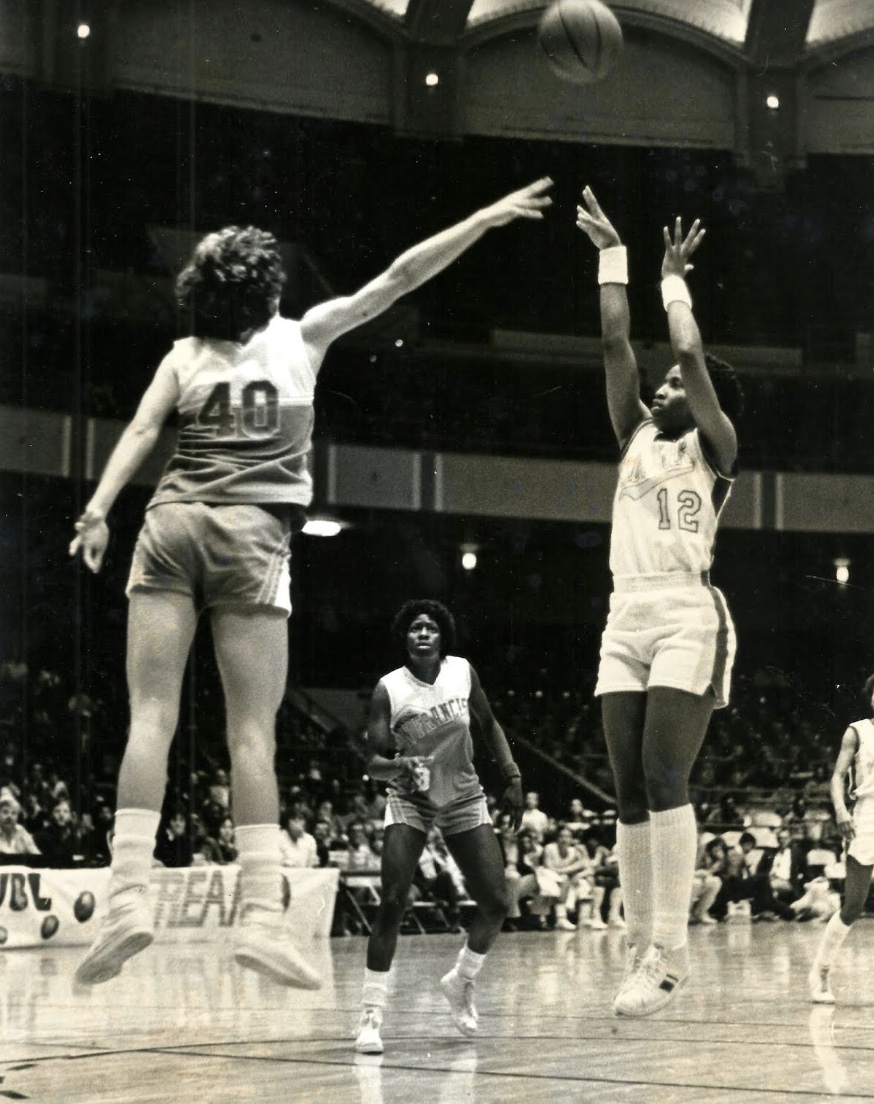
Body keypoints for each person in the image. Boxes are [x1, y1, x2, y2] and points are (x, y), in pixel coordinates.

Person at [68, 177, 552, 989]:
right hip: (252, 539)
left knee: (149, 717)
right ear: (270, 288)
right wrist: (483, 214)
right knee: (250, 734)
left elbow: (146, 428)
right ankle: (261, 914)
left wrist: (96, 509)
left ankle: (126, 902)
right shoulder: (304, 337)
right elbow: (397, 278)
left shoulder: (183, 356)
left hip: (172, 524)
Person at [576, 187, 743, 1017]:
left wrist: (675, 283)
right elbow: (614, 342)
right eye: (665, 383)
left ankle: (672, 953)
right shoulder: (635, 436)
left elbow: (695, 356)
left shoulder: (716, 449)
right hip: (624, 614)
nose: (667, 384)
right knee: (626, 787)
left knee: (662, 770)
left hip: (687, 611)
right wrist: (615, 256)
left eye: (675, 383)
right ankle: (645, 948)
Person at [354, 599, 524, 1054]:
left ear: (443, 635)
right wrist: (399, 767)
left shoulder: (463, 672)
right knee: (391, 901)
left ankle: (461, 979)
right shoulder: (389, 689)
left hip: (464, 795)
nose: (422, 633)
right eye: (414, 628)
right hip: (411, 799)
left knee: (497, 901)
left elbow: (488, 724)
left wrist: (512, 775)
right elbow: (373, 762)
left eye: (430, 627)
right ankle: (371, 1016)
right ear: (405, 638)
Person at [809, 674, 874, 1003]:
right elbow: (836, 776)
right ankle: (820, 970)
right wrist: (840, 810)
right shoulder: (858, 730)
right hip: (866, 814)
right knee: (853, 905)